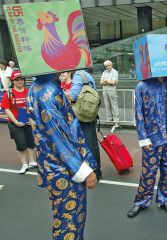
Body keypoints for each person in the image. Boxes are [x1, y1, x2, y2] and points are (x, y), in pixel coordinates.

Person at [27, 73, 98, 240]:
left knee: (64, 220)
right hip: (64, 170)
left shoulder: (39, 85)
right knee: (70, 224)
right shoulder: (49, 91)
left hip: (55, 166)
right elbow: (58, 138)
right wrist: (84, 170)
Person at [127, 76, 167, 218]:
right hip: (152, 138)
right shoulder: (142, 86)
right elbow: (138, 113)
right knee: (148, 172)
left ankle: (166, 200)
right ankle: (141, 201)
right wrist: (144, 138)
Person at [64, 70, 102, 178]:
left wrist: (62, 93)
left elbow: (72, 96)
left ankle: (92, 171)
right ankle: (97, 169)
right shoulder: (87, 75)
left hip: (82, 114)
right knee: (93, 142)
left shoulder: (78, 75)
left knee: (87, 143)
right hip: (90, 113)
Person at [1, 70, 37, 174]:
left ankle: (32, 161)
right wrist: (16, 122)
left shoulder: (29, 92)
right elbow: (7, 109)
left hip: (28, 122)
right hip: (15, 123)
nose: (20, 81)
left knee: (31, 143)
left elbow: (33, 107)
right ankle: (24, 164)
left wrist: (31, 119)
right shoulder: (9, 93)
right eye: (17, 80)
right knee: (21, 144)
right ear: (13, 81)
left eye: (21, 79)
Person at [100, 60, 119, 126]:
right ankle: (109, 118)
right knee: (107, 104)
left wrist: (105, 81)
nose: (107, 67)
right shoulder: (104, 72)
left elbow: (113, 82)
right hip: (105, 90)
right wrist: (109, 81)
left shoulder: (115, 72)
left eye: (108, 65)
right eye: (106, 66)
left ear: (111, 65)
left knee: (114, 104)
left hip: (112, 90)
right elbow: (101, 82)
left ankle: (116, 119)